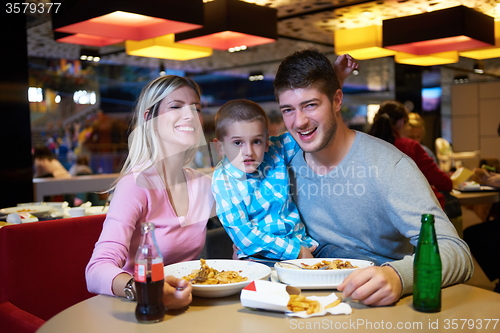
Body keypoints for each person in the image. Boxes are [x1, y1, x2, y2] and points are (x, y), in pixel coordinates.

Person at [273, 48, 473, 306]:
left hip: (372, 305)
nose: (299, 121)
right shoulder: (281, 164)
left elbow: (456, 252)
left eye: (310, 105)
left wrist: (399, 276)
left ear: (336, 101)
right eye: (287, 110)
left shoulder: (389, 166)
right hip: (300, 305)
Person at [86, 75, 214, 310]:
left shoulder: (202, 184)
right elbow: (96, 271)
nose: (190, 115)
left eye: (196, 108)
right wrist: (146, 290)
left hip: (187, 306)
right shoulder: (135, 185)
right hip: (138, 309)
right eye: (176, 106)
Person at [211, 99, 318, 261]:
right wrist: (296, 252)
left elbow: (304, 133)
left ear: (267, 142)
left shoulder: (275, 151)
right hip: (259, 256)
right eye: (237, 143)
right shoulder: (223, 180)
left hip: (304, 243)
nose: (248, 151)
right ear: (220, 147)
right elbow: (245, 236)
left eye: (256, 141)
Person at [369, 101, 453, 207]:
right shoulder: (409, 147)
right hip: (413, 211)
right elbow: (442, 181)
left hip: (375, 211)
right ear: (401, 122)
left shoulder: (364, 145)